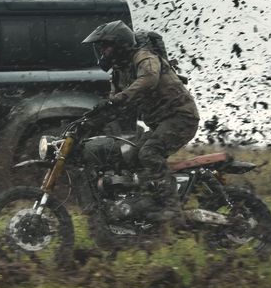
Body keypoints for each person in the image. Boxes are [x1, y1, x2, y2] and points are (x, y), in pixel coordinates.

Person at [82, 20, 200, 222]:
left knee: (149, 152)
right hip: (160, 123)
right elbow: (115, 105)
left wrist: (118, 99)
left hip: (181, 117)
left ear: (119, 44)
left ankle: (172, 206)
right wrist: (89, 121)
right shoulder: (119, 72)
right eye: (100, 47)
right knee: (130, 155)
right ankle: (147, 202)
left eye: (106, 46)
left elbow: (149, 79)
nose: (102, 51)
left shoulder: (144, 57)